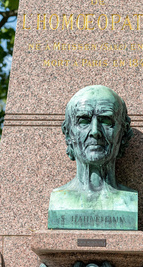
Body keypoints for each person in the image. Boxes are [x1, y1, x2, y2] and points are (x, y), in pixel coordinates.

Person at [48, 85, 138, 229]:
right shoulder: (60, 200)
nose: (95, 131)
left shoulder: (128, 200)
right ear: (68, 133)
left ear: (122, 134)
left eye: (106, 120)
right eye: (83, 120)